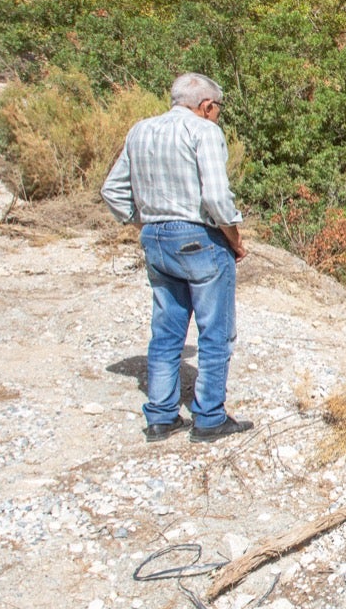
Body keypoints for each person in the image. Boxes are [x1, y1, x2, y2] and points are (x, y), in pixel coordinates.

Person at [102, 72, 253, 443]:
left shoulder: (140, 130)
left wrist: (144, 221)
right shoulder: (203, 131)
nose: (217, 116)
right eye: (217, 109)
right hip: (199, 238)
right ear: (206, 106)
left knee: (166, 331)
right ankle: (209, 418)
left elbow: (112, 190)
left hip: (154, 238)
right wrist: (234, 239)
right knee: (216, 332)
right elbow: (217, 199)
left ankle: (161, 417)